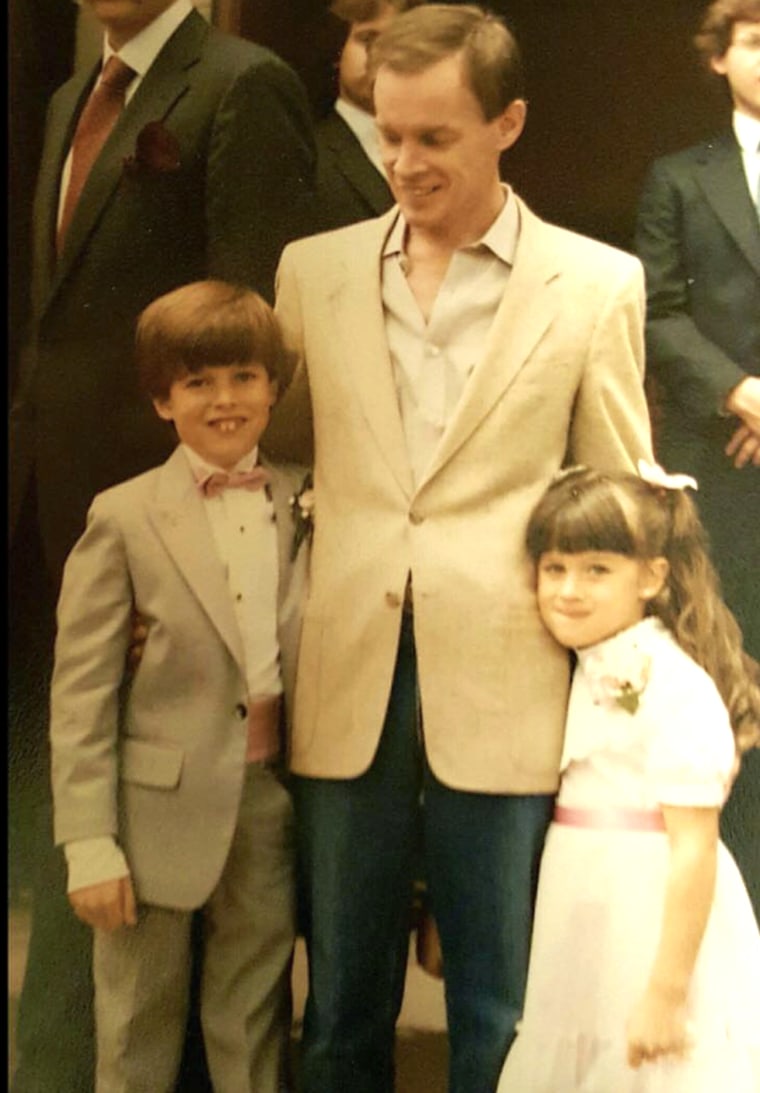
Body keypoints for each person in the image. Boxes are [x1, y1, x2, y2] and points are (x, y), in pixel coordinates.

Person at [262, 6, 654, 1090]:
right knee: (339, 1001)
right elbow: (283, 463)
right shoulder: (314, 271)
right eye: (387, 133)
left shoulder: (594, 282)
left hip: (511, 678)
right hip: (345, 674)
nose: (401, 161)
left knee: (500, 1002)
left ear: (507, 124)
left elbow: (616, 495)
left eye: (433, 137)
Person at [8, 3, 315, 1088]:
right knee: (89, 823)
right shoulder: (64, 98)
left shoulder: (240, 81)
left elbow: (245, 316)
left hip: (187, 512)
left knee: (218, 938)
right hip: (84, 502)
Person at [49, 280, 310, 1093]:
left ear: (273, 386)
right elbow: (81, 694)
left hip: (268, 799)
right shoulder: (124, 516)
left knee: (252, 1015)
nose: (225, 400)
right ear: (164, 401)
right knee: (135, 1022)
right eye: (198, 383)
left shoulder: (310, 500)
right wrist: (89, 839)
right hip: (150, 809)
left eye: (243, 377)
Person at [497, 462, 760, 1092]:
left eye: (597, 570)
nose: (569, 590)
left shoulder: (672, 685)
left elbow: (694, 849)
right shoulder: (580, 669)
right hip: (586, 917)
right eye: (554, 568)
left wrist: (667, 994)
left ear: (651, 576)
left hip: (650, 921)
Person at [634, 0, 760, 919]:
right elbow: (655, 310)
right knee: (731, 675)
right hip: (725, 463)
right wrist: (744, 393)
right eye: (755, 38)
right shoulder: (679, 178)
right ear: (719, 59)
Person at [314, 0, 414, 231]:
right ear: (339, 51)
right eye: (368, 39)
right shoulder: (310, 152)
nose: (381, 56)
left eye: (396, 44)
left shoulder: (434, 151)